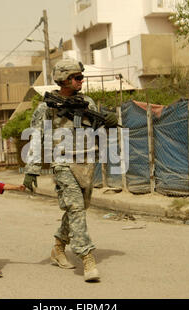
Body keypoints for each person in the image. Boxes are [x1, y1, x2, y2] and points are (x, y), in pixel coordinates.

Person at [23, 58, 118, 282]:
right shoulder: (46, 107)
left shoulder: (88, 103)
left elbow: (97, 129)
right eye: (77, 78)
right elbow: (37, 138)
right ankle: (87, 258)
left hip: (86, 162)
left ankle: (58, 247)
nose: (81, 81)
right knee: (75, 208)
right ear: (64, 79)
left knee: (79, 209)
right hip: (62, 163)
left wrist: (108, 121)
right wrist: (32, 169)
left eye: (81, 77)